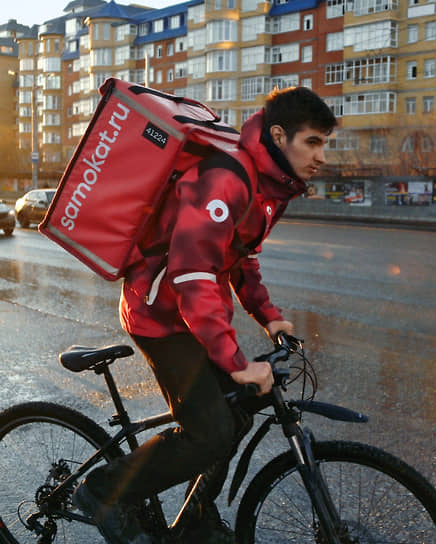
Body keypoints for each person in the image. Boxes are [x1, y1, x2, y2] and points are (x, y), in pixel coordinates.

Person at [72, 87, 337, 544]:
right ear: (279, 135)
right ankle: (99, 492)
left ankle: (195, 517)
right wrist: (236, 361)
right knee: (209, 432)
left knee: (237, 414)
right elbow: (192, 273)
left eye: (324, 144)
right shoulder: (227, 179)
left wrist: (268, 315)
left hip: (192, 314)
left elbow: (240, 255)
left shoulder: (266, 184)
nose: (322, 156)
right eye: (313, 142)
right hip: (160, 314)